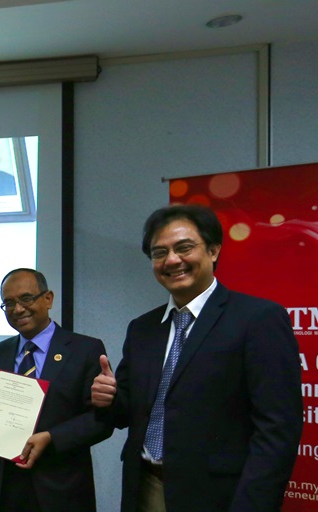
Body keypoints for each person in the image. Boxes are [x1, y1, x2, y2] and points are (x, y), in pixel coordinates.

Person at [90, 204, 302, 512]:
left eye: (184, 248)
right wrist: (107, 398)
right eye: (159, 252)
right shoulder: (143, 329)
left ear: (214, 251)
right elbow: (127, 412)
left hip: (219, 496)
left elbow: (278, 429)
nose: (172, 260)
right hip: (145, 487)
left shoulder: (258, 319)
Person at [0, 269, 111, 512]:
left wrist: (51, 438)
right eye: (9, 303)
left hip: (62, 488)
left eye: (26, 299)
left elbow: (101, 421)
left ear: (48, 299)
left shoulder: (85, 349)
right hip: (7, 488)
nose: (18, 309)